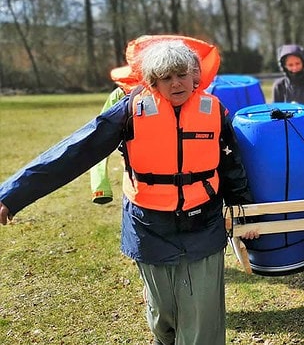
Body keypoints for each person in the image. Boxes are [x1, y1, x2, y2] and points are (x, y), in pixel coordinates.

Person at [0, 35, 260, 345]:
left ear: (195, 76)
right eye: (166, 77)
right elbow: (75, 151)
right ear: (152, 81)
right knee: (163, 315)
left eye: (181, 75)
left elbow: (232, 166)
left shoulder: (214, 111)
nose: (176, 83)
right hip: (150, 226)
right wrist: (12, 194)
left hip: (203, 223)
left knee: (203, 319)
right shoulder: (130, 111)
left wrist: (245, 214)